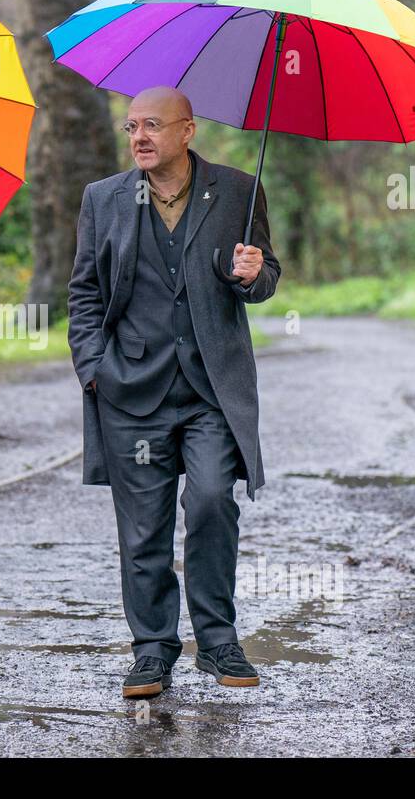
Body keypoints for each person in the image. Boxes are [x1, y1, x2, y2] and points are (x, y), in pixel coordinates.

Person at [67, 85, 281, 699]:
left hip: (211, 389)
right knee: (143, 529)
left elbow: (266, 275)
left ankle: (217, 641)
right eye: (132, 126)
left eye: (153, 125)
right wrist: (93, 368)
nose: (139, 136)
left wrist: (252, 274)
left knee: (214, 499)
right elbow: (83, 293)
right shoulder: (103, 198)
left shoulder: (238, 190)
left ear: (187, 131)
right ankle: (153, 651)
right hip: (131, 390)